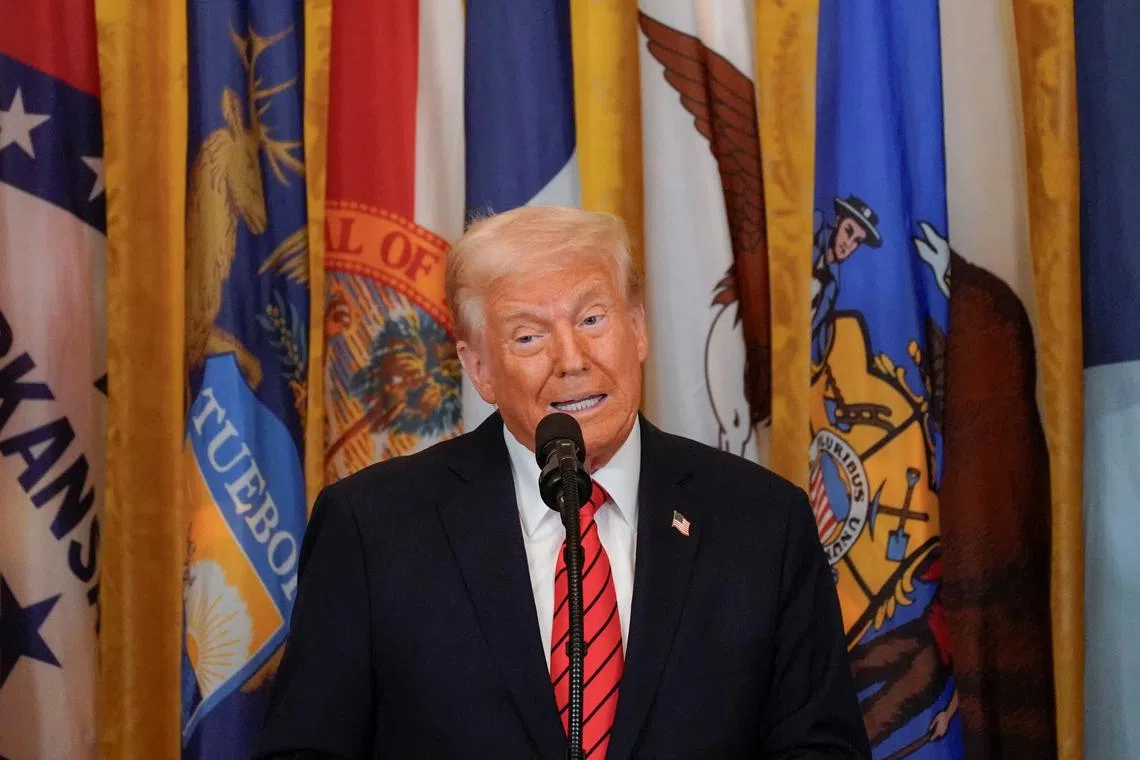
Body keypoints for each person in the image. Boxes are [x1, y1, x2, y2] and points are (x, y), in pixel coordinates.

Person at [255, 206, 870, 758]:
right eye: (528, 335)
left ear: (638, 329)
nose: (572, 359)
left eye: (593, 318)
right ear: (479, 369)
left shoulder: (764, 524)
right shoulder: (373, 530)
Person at [811, 195, 882, 367]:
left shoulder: (833, 286)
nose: (848, 244)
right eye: (848, 231)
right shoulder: (813, 227)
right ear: (837, 221)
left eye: (857, 241)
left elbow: (817, 334)